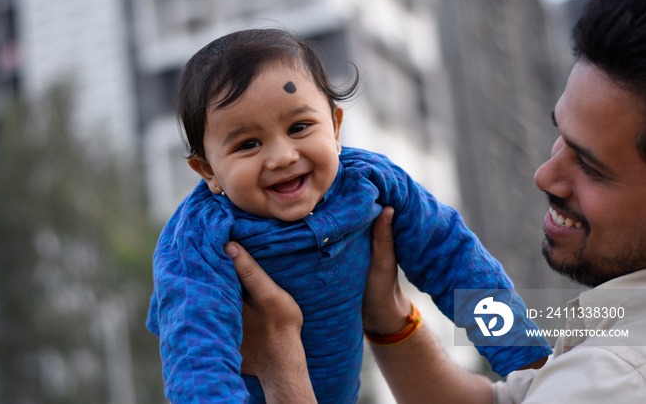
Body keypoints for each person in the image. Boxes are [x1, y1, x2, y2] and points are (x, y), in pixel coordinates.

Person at [227, 0, 646, 403]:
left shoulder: (616, 376)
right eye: (560, 137)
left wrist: (280, 368)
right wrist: (387, 317)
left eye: (591, 167)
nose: (545, 176)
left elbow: (452, 260)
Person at [146, 28, 551, 403]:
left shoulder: (371, 182)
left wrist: (529, 360)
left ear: (335, 127)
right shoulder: (198, 238)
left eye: (300, 126)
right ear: (209, 171)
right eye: (248, 144)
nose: (283, 156)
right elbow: (197, 350)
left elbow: (456, 262)